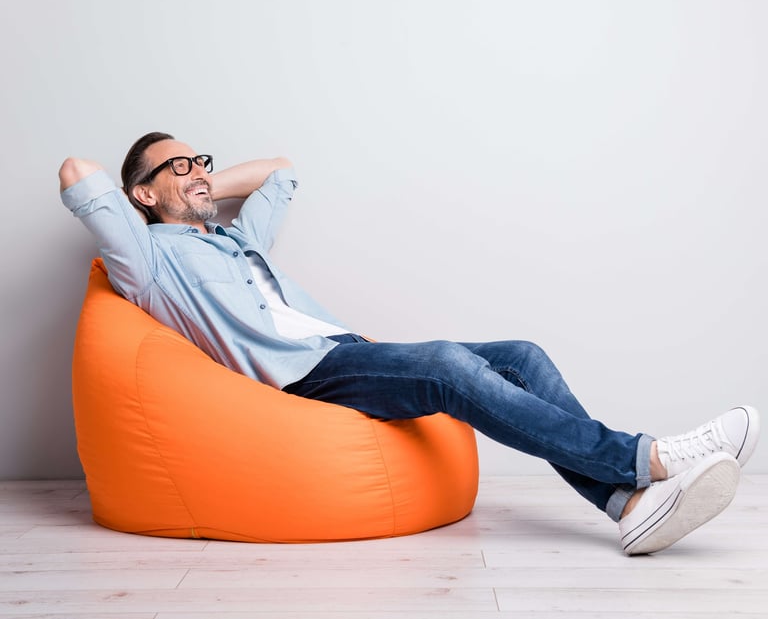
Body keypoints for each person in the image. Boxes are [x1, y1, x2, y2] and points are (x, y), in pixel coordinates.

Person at [59, 131, 760, 555]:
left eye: (202, 160)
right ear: (141, 195)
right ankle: (649, 458)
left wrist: (196, 177)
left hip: (342, 349)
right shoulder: (148, 261)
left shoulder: (238, 238)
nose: (200, 173)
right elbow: (76, 172)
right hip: (300, 376)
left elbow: (280, 169)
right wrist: (159, 191)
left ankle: (628, 507)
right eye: (180, 168)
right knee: (449, 366)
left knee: (521, 354)